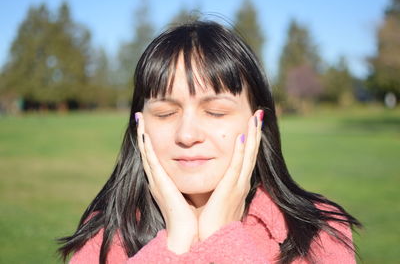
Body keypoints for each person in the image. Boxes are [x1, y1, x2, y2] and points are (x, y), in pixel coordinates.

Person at [58, 20, 361, 264]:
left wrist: (223, 237)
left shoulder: (318, 233)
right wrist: (176, 242)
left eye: (215, 112)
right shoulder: (105, 234)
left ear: (257, 121)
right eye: (165, 113)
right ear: (141, 126)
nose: (187, 135)